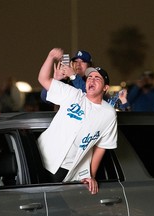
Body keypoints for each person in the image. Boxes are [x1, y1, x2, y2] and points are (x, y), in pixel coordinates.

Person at [37, 48, 117, 194]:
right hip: (41, 156)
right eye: (90, 77)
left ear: (105, 87)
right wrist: (52, 62)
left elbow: (102, 146)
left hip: (67, 169)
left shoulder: (108, 113)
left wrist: (90, 175)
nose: (92, 79)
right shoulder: (74, 93)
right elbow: (44, 87)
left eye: (97, 78)